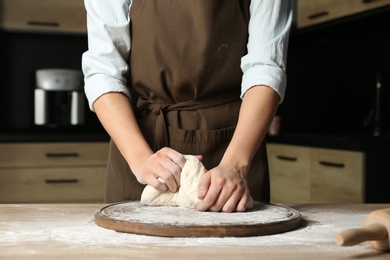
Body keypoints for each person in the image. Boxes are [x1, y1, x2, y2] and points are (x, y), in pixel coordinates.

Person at [82, 0, 292, 212]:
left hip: (235, 144)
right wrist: (141, 159)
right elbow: (104, 73)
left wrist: (235, 165)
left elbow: (265, 67)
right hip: (141, 145)